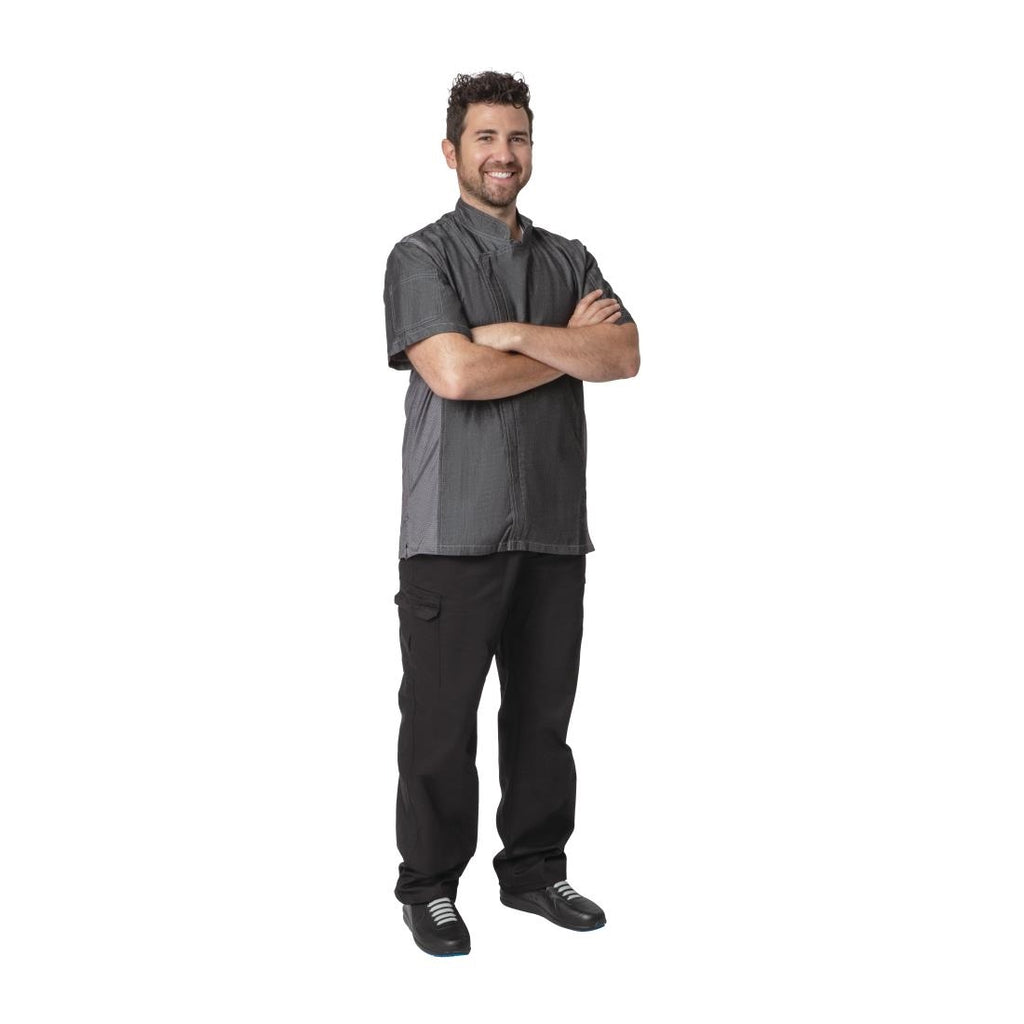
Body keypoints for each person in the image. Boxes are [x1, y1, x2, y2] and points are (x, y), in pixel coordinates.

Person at [383, 71, 639, 957]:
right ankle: (428, 887)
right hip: (452, 531)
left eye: (518, 138)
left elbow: (624, 354)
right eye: (486, 138)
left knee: (542, 720)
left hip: (554, 529)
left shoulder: (570, 257)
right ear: (452, 151)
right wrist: (571, 347)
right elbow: (454, 375)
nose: (504, 154)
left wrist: (520, 335)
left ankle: (533, 871)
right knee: (439, 725)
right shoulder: (420, 257)